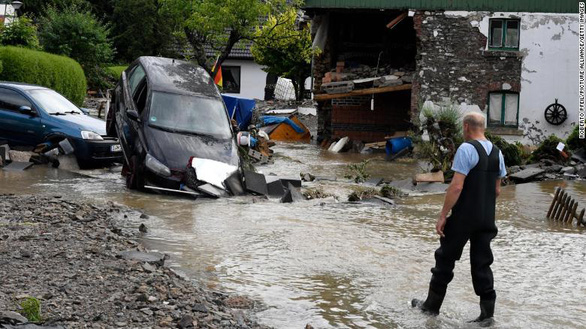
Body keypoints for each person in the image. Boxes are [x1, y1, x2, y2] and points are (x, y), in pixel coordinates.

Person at [412, 112, 507, 324]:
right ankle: (486, 316)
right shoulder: (498, 153)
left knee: (445, 258)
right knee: (482, 263)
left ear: (466, 127)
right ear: (483, 127)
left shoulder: (466, 148)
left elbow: (456, 187)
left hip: (464, 217)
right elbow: (497, 190)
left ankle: (430, 307)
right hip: (486, 219)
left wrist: (443, 215)